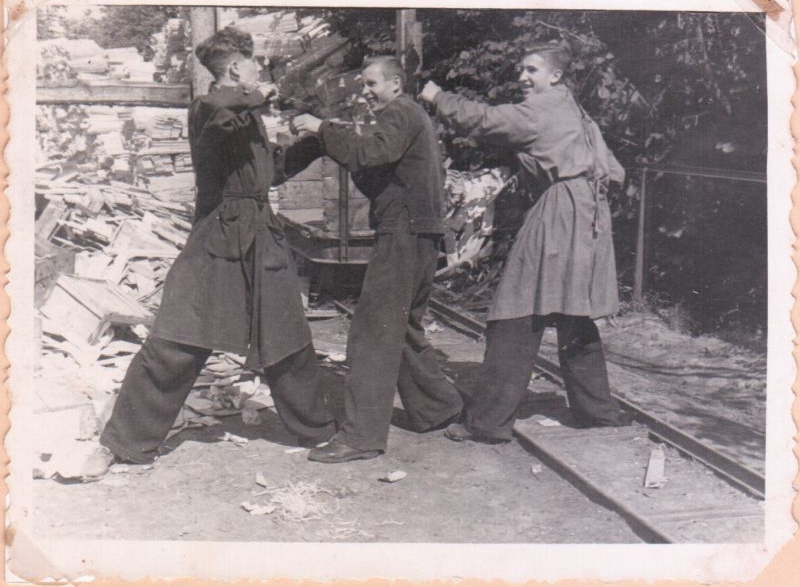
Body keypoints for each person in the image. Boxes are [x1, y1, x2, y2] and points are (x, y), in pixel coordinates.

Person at [81, 26, 335, 478]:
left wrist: (314, 143)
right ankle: (124, 443)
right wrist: (259, 94)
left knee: (287, 337)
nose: (259, 71)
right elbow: (219, 115)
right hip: (217, 240)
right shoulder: (208, 108)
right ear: (237, 67)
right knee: (177, 342)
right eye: (254, 63)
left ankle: (318, 430)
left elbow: (268, 172)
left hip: (262, 236)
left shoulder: (245, 112)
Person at [418, 41, 631, 444]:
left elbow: (482, 120)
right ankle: (598, 413)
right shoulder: (577, 112)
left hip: (561, 209)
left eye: (532, 70)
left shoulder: (542, 108)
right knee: (574, 311)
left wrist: (435, 96)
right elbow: (615, 172)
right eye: (522, 70)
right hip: (590, 215)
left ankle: (488, 423)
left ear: (555, 76)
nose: (522, 78)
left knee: (516, 311)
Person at [291, 56, 463, 463]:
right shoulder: (409, 116)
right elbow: (375, 163)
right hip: (417, 233)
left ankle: (361, 436)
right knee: (402, 329)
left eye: (372, 85)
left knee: (372, 333)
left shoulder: (400, 111)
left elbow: (372, 154)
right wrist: (337, 142)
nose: (366, 93)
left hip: (404, 234)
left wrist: (323, 128)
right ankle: (439, 408)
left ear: (396, 85)